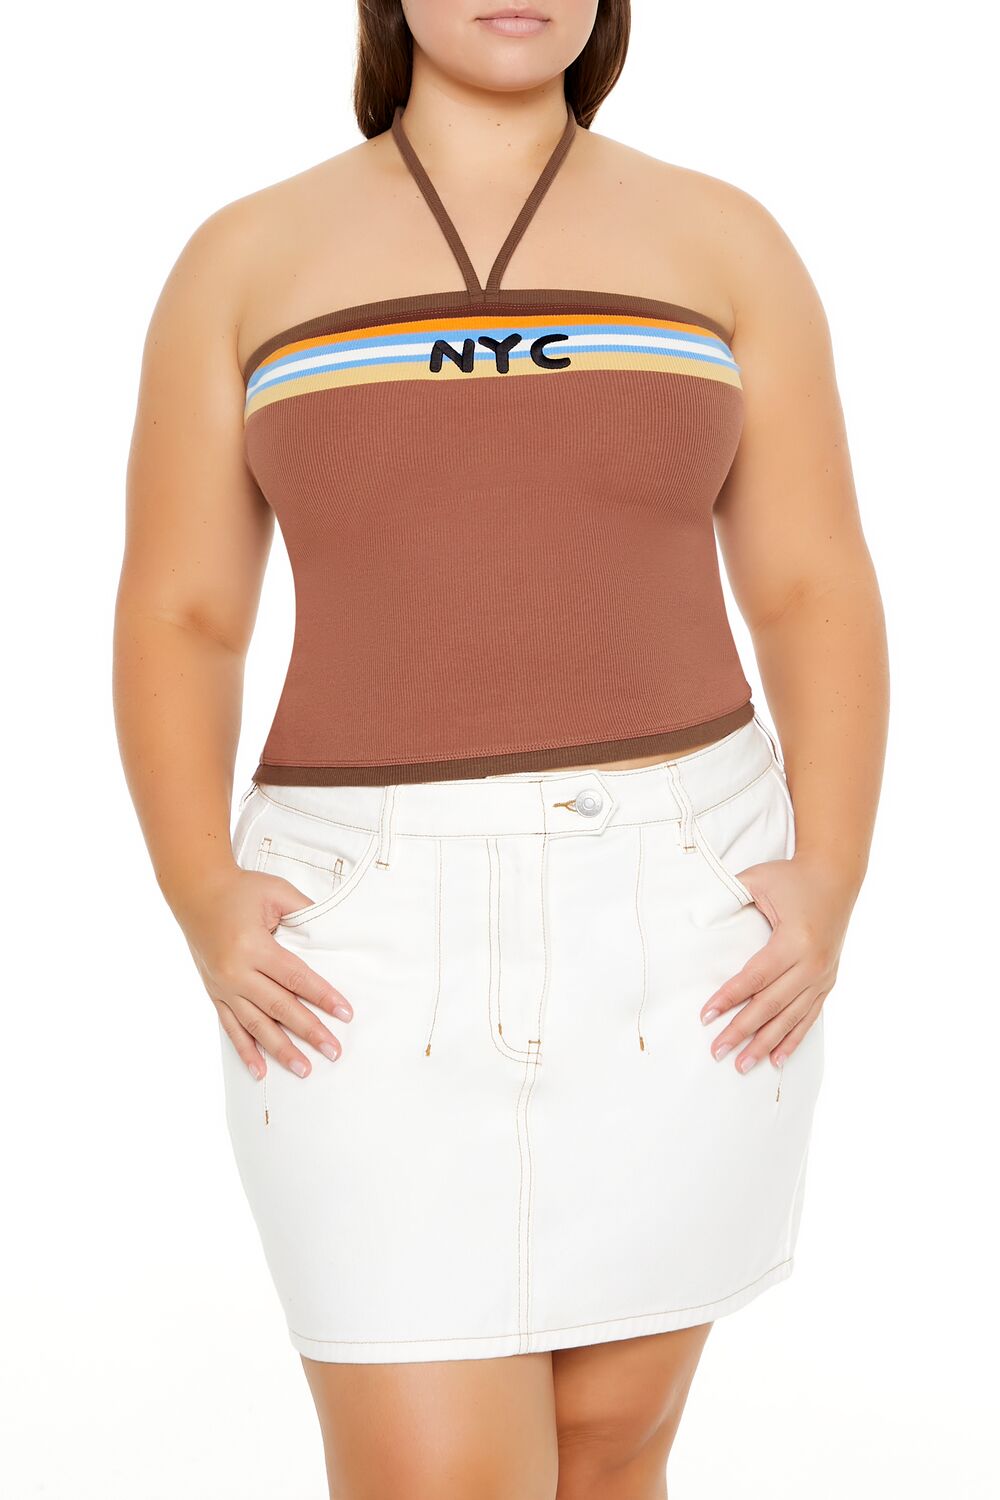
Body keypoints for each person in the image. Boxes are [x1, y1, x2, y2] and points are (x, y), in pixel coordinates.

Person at [113, 2, 888, 1495]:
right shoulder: (243, 260)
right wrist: (199, 888)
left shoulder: (725, 241)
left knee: (608, 1452)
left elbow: (814, 584)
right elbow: (183, 614)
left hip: (683, 913)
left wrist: (834, 868)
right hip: (362, 938)